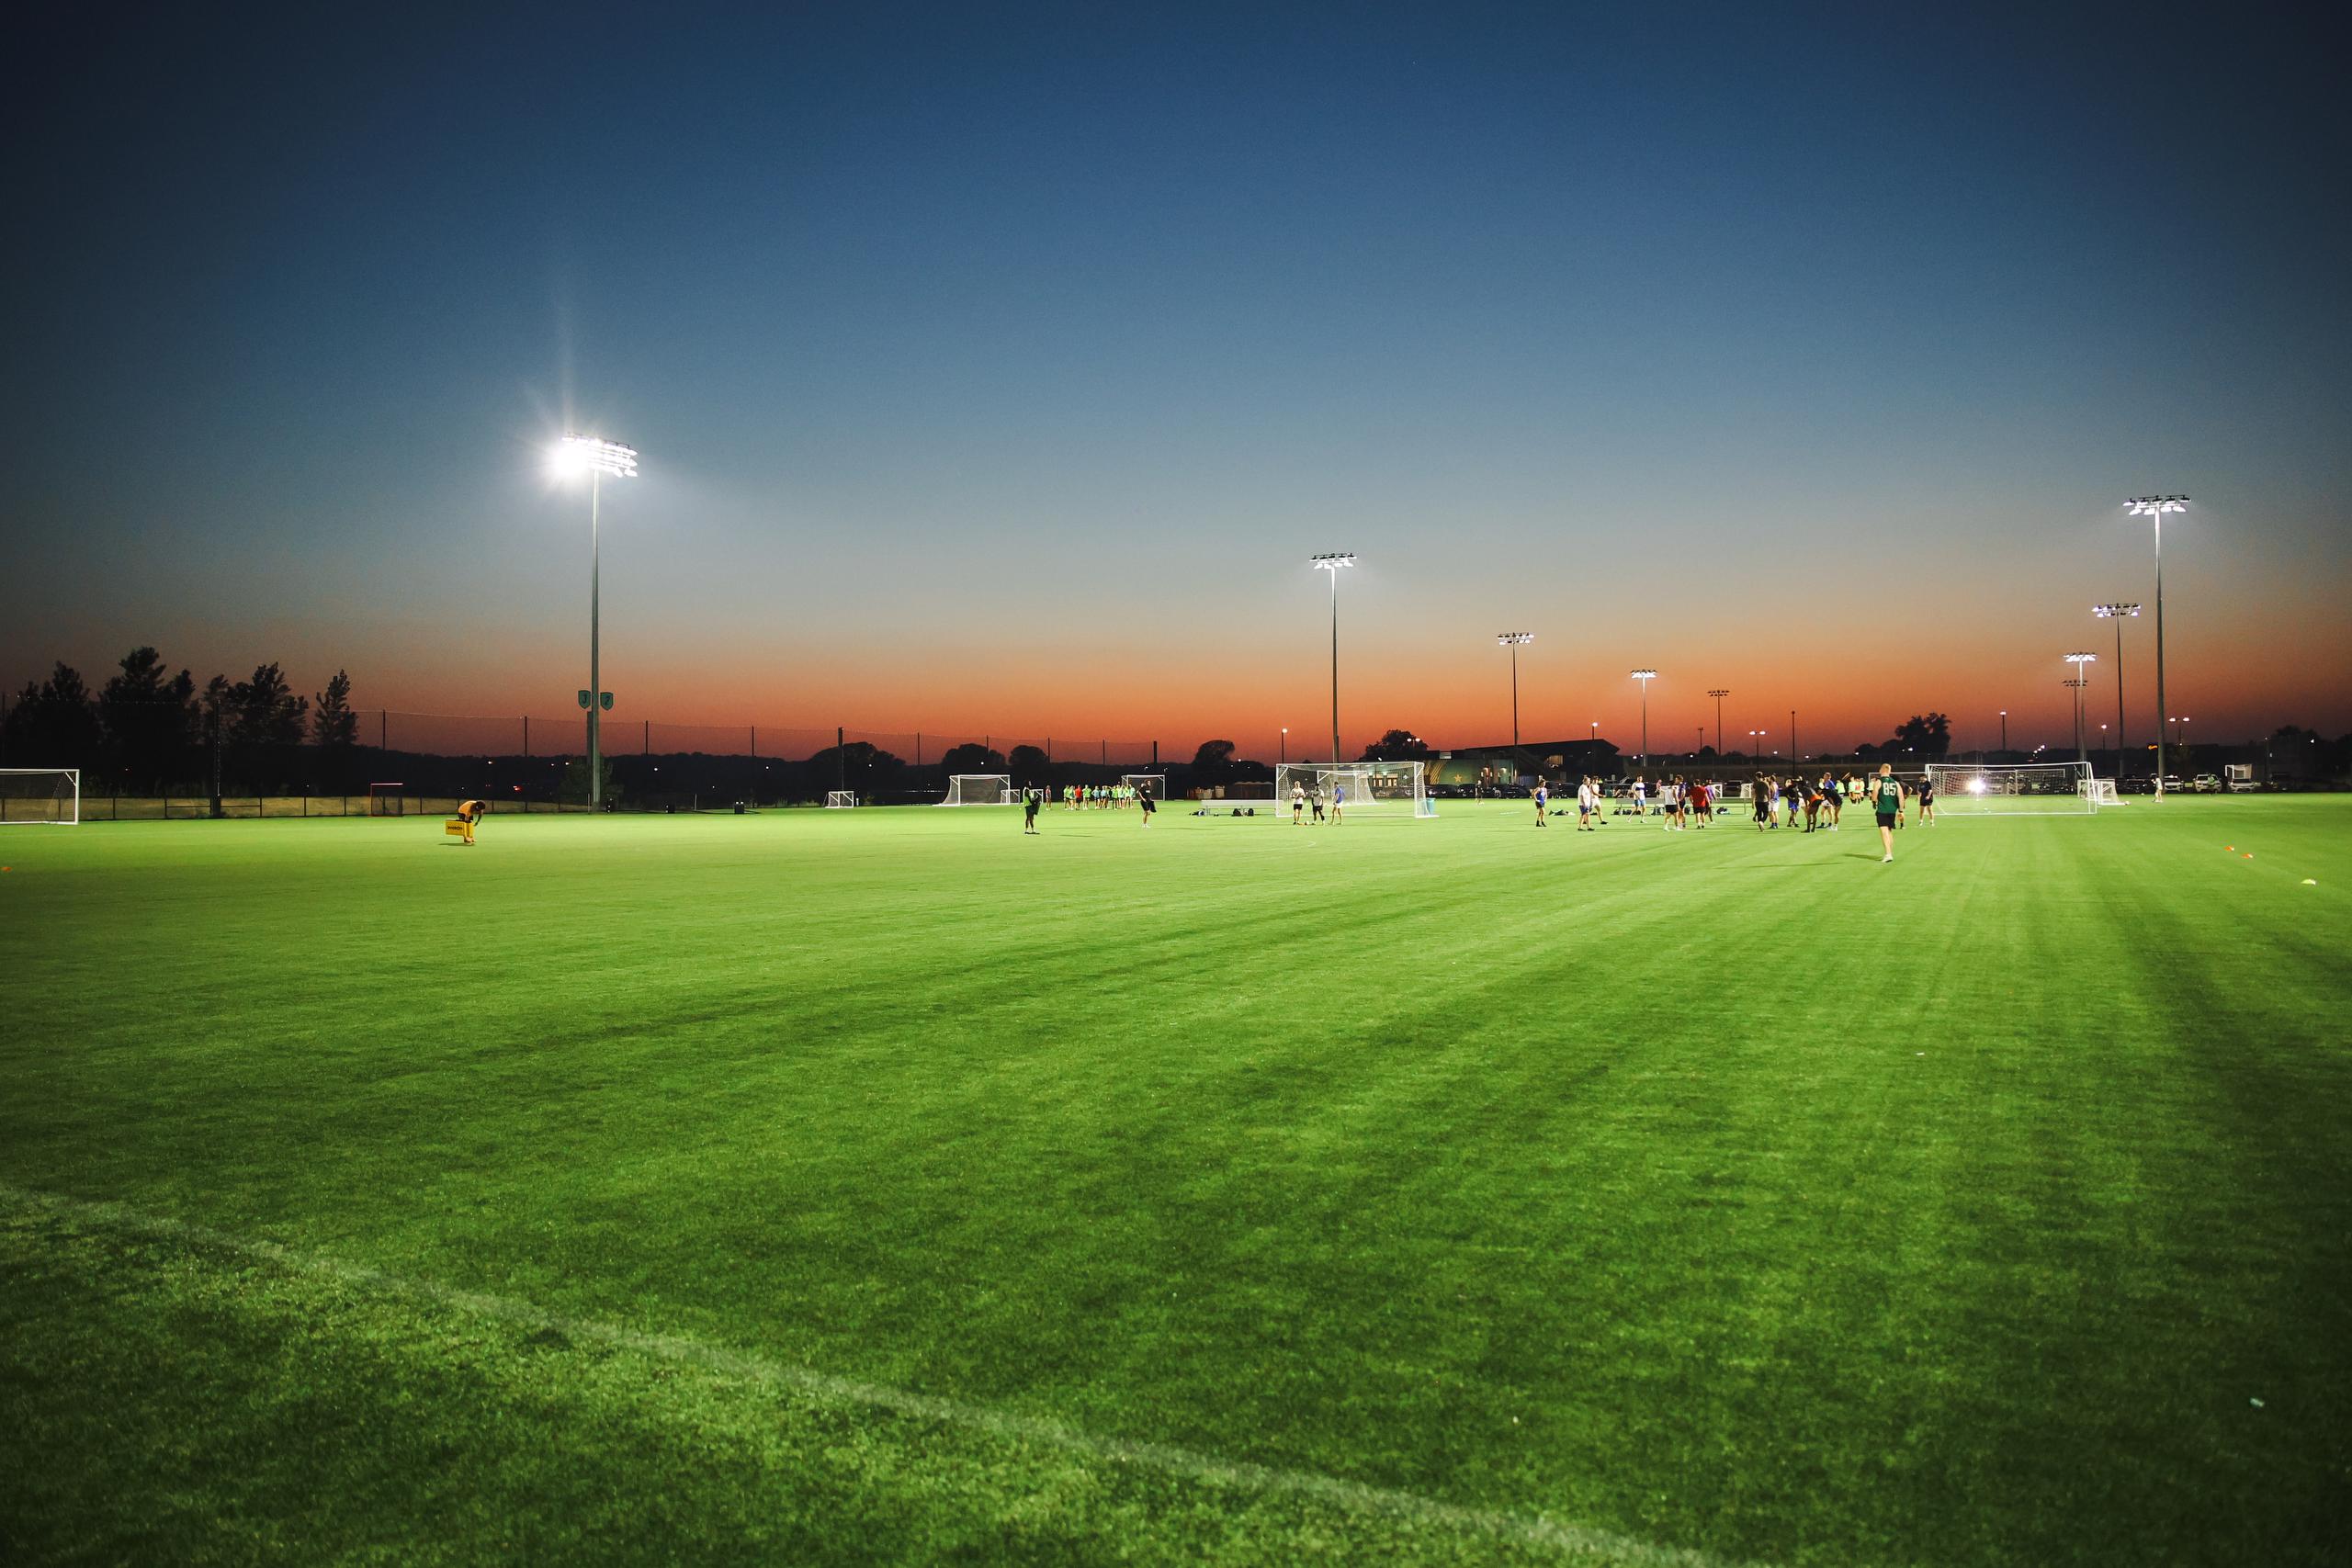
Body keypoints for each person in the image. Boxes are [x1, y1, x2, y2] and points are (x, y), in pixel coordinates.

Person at [1871, 763, 1904, 863]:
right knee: (1889, 832)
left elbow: (1875, 792)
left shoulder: (1879, 781)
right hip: (1892, 811)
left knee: (1884, 831)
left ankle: (1888, 854)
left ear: (1882, 770)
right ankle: (1889, 852)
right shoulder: (1896, 783)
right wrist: (1901, 811)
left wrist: (1874, 802)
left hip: (1883, 810)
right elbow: (1901, 797)